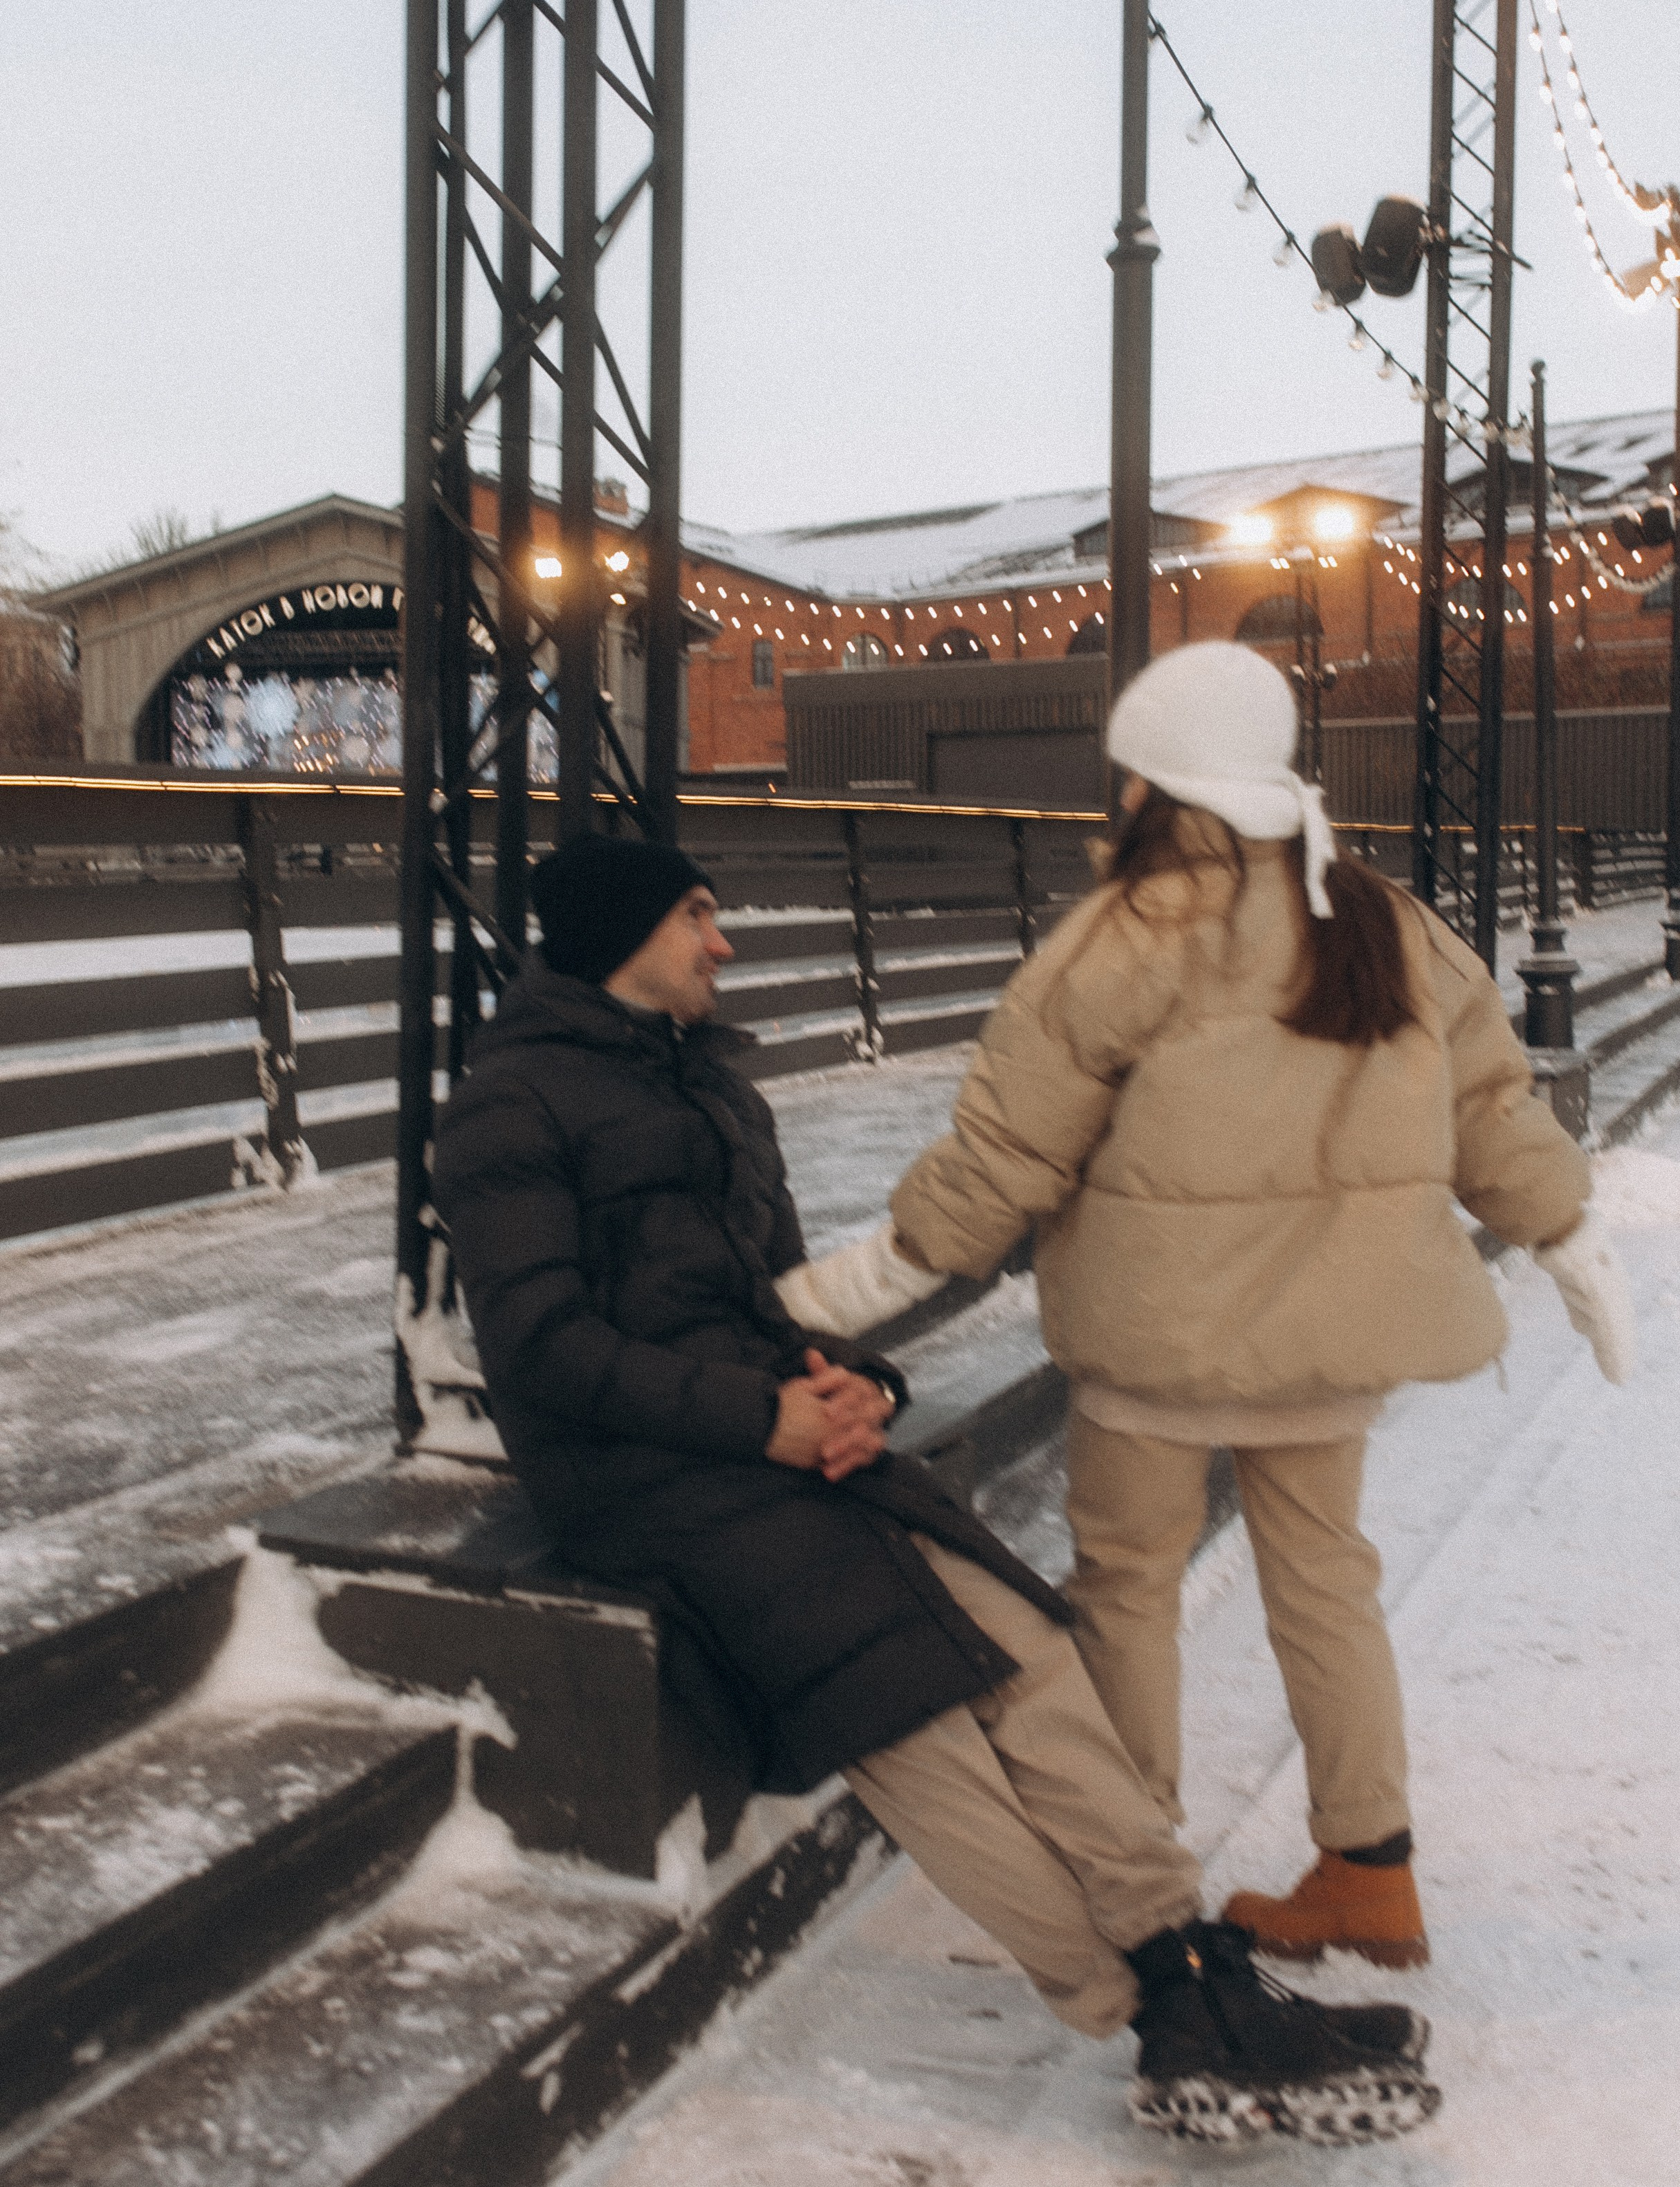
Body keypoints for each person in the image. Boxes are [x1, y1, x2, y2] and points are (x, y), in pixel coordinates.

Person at [431, 828, 1440, 2147]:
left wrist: (853, 1386)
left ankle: (1191, 1959)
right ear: (625, 937)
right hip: (636, 1474)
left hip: (775, 1435)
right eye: (696, 917)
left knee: (1029, 1650)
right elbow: (542, 1357)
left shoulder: (715, 1092)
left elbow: (773, 1300)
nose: (721, 941)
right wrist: (766, 1418)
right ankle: (1147, 2008)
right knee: (914, 1711)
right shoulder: (507, 1105)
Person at [805, 641, 1633, 1975]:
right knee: (1328, 1589)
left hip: (1158, 1346)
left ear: (1152, 779)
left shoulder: (1125, 936)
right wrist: (1567, 1235)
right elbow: (1491, 1106)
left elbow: (1007, 1155)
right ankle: (1369, 1879)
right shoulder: (1383, 918)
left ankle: (1138, 1877)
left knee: (1126, 1589)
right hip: (1330, 1343)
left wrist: (851, 1286)